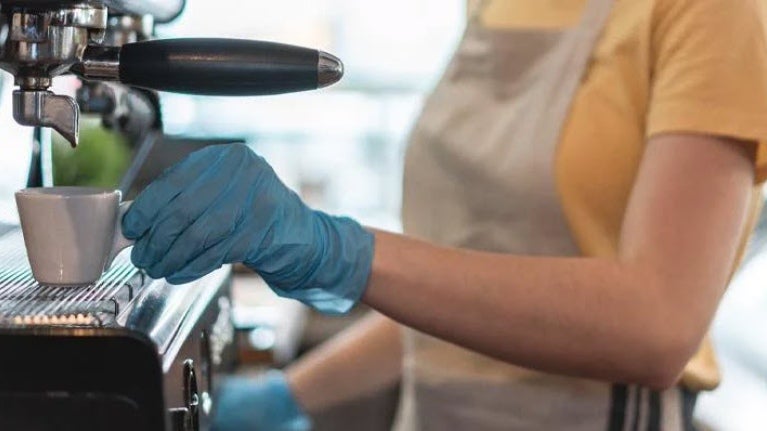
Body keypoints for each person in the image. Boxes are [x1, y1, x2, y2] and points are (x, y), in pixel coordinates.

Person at [122, 0, 767, 429]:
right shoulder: (492, 6)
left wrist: (341, 252)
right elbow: (465, 294)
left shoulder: (713, 13)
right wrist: (288, 396)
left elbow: (656, 325)